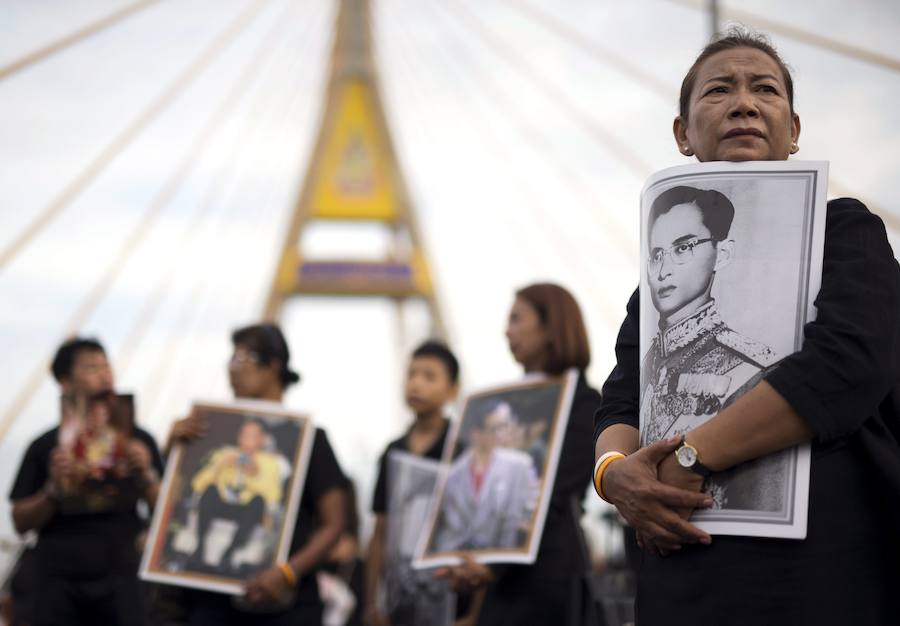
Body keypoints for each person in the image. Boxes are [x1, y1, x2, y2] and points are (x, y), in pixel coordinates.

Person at [593, 28, 900, 625]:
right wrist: (615, 476)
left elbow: (847, 367)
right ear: (682, 133)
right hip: (685, 580)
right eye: (718, 91)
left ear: (794, 129)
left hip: (822, 581)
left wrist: (686, 460)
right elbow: (619, 402)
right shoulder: (653, 291)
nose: (743, 102)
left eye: (765, 89)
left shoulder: (845, 233)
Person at [439, 283, 603, 626]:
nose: (506, 330)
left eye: (516, 319)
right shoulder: (505, 410)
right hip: (497, 581)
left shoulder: (582, 402)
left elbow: (554, 496)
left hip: (548, 578)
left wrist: (489, 566)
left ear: (550, 327)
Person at [179, 323, 346, 625]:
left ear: (273, 367)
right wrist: (176, 451)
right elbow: (181, 501)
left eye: (243, 359)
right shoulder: (212, 435)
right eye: (231, 360)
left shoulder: (309, 438)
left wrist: (286, 572)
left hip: (288, 608)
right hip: (214, 604)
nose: (233, 370)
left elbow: (334, 524)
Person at [642, 185, 786, 511]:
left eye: (683, 248)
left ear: (722, 254)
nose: (663, 270)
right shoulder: (646, 361)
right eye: (656, 254)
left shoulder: (749, 366)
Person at [8, 337, 164, 626]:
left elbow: (168, 515)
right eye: (91, 367)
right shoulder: (45, 446)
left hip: (123, 576)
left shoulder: (140, 440)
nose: (105, 375)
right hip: (57, 581)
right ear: (65, 381)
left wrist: (146, 476)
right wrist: (53, 489)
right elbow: (20, 521)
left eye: (107, 366)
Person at [364, 340, 463, 626]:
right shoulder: (392, 451)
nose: (416, 384)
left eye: (429, 376)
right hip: (399, 600)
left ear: (452, 389)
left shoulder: (461, 450)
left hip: (448, 599)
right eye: (411, 374)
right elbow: (380, 531)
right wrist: (372, 603)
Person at [433, 402, 535, 552]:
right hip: (458, 561)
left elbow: (524, 519)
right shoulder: (453, 474)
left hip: (503, 562)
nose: (505, 433)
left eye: (507, 425)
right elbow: (448, 528)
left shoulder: (520, 465)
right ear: (476, 434)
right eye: (497, 428)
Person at [188, 419, 284, 573]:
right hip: (223, 505)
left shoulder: (270, 463)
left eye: (253, 436)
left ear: (262, 440)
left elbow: (273, 497)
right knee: (210, 491)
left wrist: (254, 474)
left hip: (247, 511)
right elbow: (198, 484)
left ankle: (229, 554)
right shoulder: (224, 455)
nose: (247, 440)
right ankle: (199, 548)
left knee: (257, 502)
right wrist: (220, 466)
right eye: (244, 435)